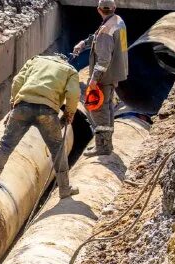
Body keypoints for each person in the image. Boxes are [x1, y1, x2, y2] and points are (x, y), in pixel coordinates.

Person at [0, 54, 80, 199]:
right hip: (47, 112)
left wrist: (14, 103)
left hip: (23, 107)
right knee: (57, 149)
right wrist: (69, 114)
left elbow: (17, 80)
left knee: (5, 146)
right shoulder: (70, 71)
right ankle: (64, 189)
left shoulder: (35, 61)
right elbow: (74, 94)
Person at [72, 0, 128, 156]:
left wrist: (94, 78)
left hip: (103, 78)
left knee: (98, 110)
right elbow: (99, 37)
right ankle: (107, 144)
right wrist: (84, 43)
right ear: (114, 8)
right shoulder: (117, 22)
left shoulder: (106, 30)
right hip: (114, 75)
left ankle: (102, 147)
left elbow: (103, 59)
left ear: (98, 10)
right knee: (108, 108)